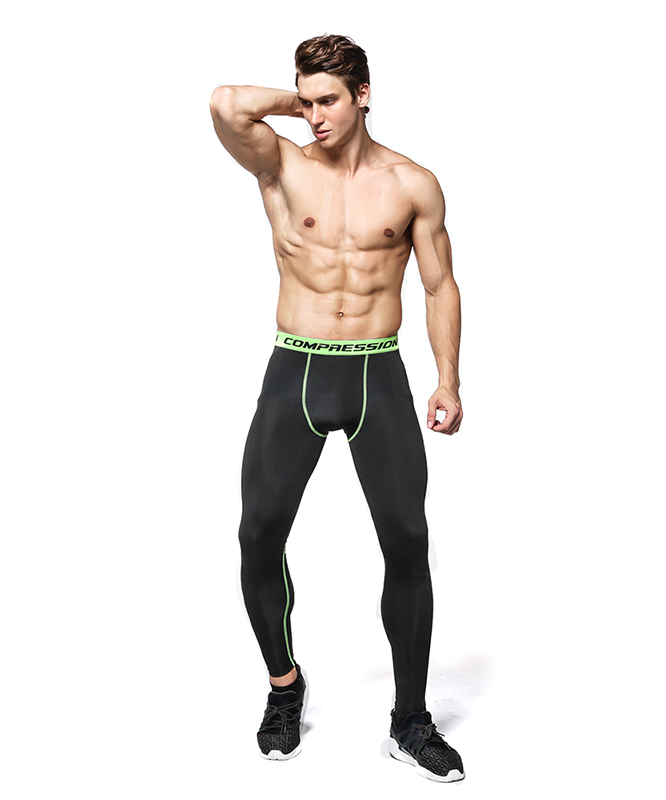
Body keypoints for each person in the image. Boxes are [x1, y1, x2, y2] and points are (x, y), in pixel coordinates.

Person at [209, 34, 464, 782]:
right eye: (306, 100)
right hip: (296, 369)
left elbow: (439, 285)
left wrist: (448, 380)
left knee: (408, 542)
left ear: (364, 95)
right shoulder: (282, 164)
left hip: (376, 373)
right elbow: (225, 104)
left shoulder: (413, 183)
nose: (315, 115)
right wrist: (301, 104)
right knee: (258, 534)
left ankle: (410, 720)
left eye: (330, 100)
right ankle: (284, 686)